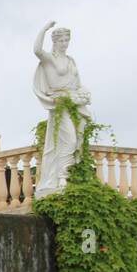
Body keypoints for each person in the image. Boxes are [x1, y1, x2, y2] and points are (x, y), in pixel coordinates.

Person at [32, 21, 92, 197]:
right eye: (62, 41)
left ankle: (67, 176)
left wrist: (83, 94)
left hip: (75, 103)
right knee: (70, 140)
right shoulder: (50, 58)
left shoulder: (70, 60)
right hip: (59, 105)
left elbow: (78, 84)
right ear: (55, 42)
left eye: (67, 40)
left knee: (77, 140)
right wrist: (44, 28)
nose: (65, 44)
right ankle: (61, 177)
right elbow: (36, 50)